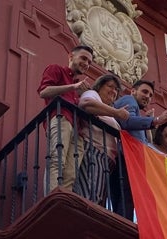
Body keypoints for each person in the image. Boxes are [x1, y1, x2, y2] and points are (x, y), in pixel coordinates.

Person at [111, 80, 167, 220]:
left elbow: (143, 144)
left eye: (151, 95)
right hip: (125, 159)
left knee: (125, 200)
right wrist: (156, 120)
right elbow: (127, 120)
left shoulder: (139, 113)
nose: (148, 96)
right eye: (144, 92)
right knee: (125, 199)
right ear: (133, 91)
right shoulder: (129, 100)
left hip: (130, 161)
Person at [37, 45, 93, 192]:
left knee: (71, 173)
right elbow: (44, 92)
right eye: (83, 58)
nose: (86, 64)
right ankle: (53, 199)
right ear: (71, 57)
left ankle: (62, 202)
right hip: (61, 119)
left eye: (89, 62)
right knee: (57, 160)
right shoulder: (56, 70)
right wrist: (73, 87)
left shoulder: (79, 88)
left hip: (78, 131)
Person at [73, 74, 129, 205]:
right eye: (110, 86)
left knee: (98, 197)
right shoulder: (93, 94)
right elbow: (85, 104)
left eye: (116, 89)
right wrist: (116, 113)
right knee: (91, 195)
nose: (114, 91)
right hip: (95, 151)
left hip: (106, 160)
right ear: (99, 87)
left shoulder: (108, 111)